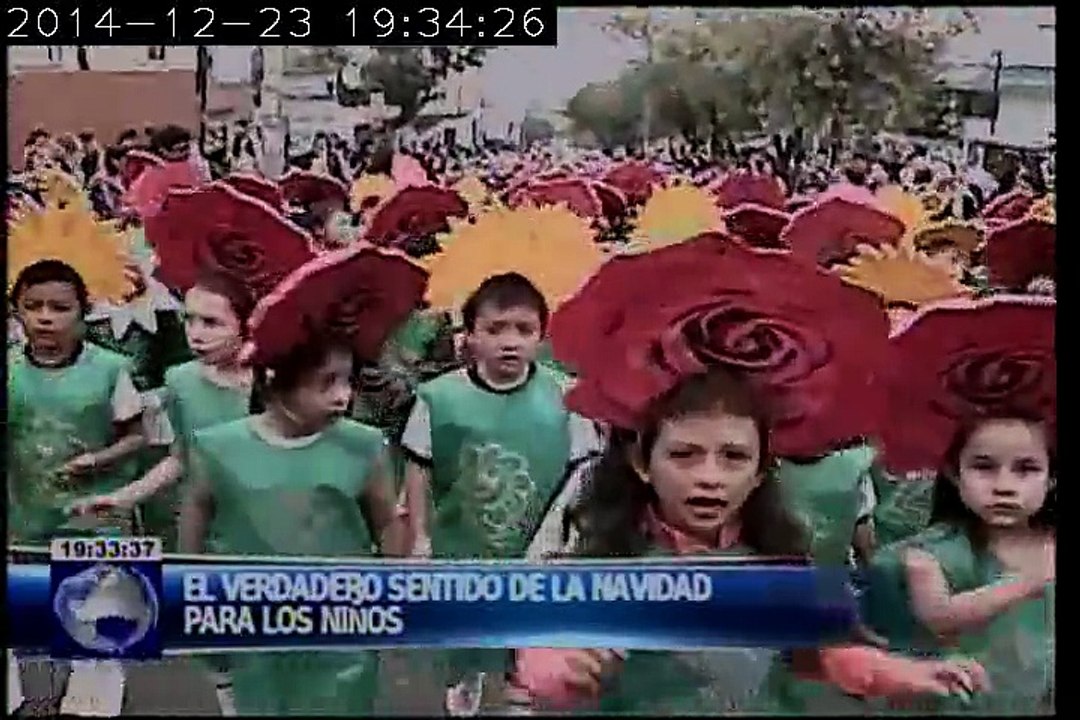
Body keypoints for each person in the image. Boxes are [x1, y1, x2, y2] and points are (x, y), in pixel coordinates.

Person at [179, 244, 426, 715]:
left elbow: (387, 532)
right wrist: (199, 624)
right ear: (274, 383)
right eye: (326, 383)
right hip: (251, 632)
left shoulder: (365, 445)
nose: (342, 397)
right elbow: (191, 546)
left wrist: (395, 605)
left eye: (348, 381)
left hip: (343, 634)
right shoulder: (215, 447)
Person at [399, 272, 600, 711]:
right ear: (469, 335)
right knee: (465, 633)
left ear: (542, 337)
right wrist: (420, 537)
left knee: (526, 637)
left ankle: (518, 699)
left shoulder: (567, 398)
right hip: (461, 545)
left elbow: (585, 469)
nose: (510, 342)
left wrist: (569, 538)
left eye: (524, 330)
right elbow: (419, 466)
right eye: (495, 329)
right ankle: (464, 682)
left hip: (536, 546)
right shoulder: (437, 398)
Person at [864, 297, 1055, 713]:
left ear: (1051, 478)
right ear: (954, 474)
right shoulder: (928, 555)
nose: (1004, 486)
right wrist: (1025, 584)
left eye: (1025, 469)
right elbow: (940, 616)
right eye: (984, 467)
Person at [8, 260, 146, 716]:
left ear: (83, 313)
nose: (45, 317)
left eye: (60, 307)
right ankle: (35, 700)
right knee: (28, 620)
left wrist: (97, 460)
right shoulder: (9, 369)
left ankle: (91, 704)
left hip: (97, 518)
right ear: (17, 312)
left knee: (99, 618)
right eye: (33, 306)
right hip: (26, 517)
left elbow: (138, 435)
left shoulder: (111, 369)